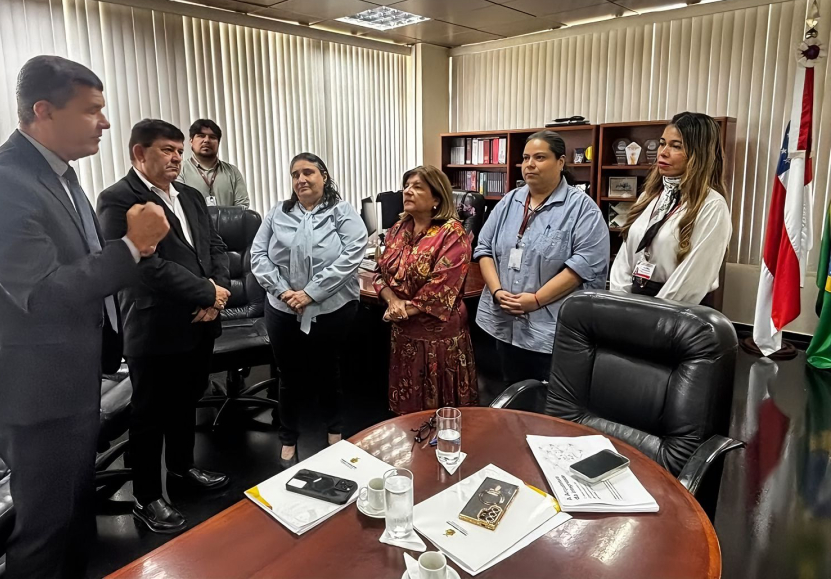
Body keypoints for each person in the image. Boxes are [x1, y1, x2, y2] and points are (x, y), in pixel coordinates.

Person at [0, 55, 170, 579]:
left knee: (75, 520)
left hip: (68, 380)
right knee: (46, 534)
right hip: (33, 393)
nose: (106, 122)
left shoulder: (59, 175)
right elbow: (46, 293)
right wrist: (133, 247)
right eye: (92, 110)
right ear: (44, 111)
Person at [97, 119, 232, 534]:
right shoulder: (118, 199)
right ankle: (146, 496)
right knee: (149, 414)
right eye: (166, 150)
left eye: (178, 150)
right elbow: (144, 267)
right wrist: (206, 294)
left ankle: (181, 469)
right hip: (155, 327)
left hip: (200, 322)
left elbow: (215, 248)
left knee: (186, 402)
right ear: (140, 153)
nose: (176, 158)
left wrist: (219, 291)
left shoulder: (189, 195)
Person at [251, 153, 366, 467]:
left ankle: (334, 431)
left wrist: (311, 293)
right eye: (295, 174)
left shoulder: (342, 212)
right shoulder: (278, 213)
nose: (301, 179)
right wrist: (285, 291)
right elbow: (258, 255)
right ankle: (288, 437)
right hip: (282, 307)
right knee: (288, 375)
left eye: (308, 172)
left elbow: (352, 255)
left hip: (332, 307)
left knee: (328, 371)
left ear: (324, 176)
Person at [475, 130, 609, 384]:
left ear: (560, 162)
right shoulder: (508, 201)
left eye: (539, 157)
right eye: (525, 158)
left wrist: (535, 300)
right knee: (509, 395)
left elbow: (582, 267)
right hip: (504, 323)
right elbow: (484, 248)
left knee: (547, 408)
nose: (530, 165)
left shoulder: (583, 210)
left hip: (549, 331)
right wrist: (496, 291)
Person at [373, 166, 479, 414]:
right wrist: (392, 302)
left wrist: (400, 310)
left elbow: (440, 291)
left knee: (440, 415)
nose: (408, 191)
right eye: (406, 186)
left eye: (417, 186)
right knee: (407, 412)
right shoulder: (398, 229)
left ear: (436, 198)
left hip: (438, 343)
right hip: (403, 335)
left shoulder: (452, 233)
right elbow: (379, 274)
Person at [610, 112, 732, 304]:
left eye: (676, 146)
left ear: (698, 154)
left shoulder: (712, 206)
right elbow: (624, 259)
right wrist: (620, 303)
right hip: (634, 302)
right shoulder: (648, 198)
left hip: (676, 310)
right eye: (662, 143)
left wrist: (656, 315)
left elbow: (693, 278)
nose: (663, 152)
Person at [178, 118, 249, 207]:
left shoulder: (232, 171)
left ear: (218, 143)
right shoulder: (179, 169)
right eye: (201, 136)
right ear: (191, 141)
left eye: (212, 137)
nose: (207, 140)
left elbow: (242, 205)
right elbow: (179, 205)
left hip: (228, 221)